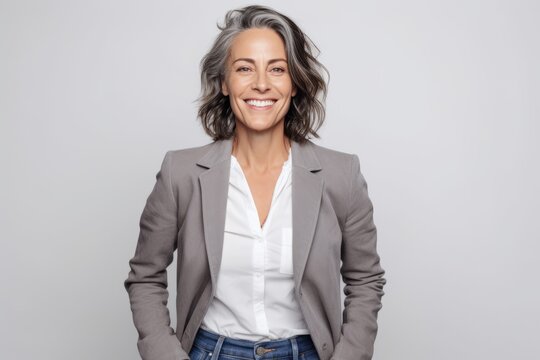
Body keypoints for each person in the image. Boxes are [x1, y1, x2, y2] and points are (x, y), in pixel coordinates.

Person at [124, 5, 385, 360]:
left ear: (294, 84)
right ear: (223, 82)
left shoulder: (342, 175)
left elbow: (365, 280)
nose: (261, 83)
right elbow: (145, 276)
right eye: (245, 68)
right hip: (210, 352)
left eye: (277, 69)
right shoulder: (180, 173)